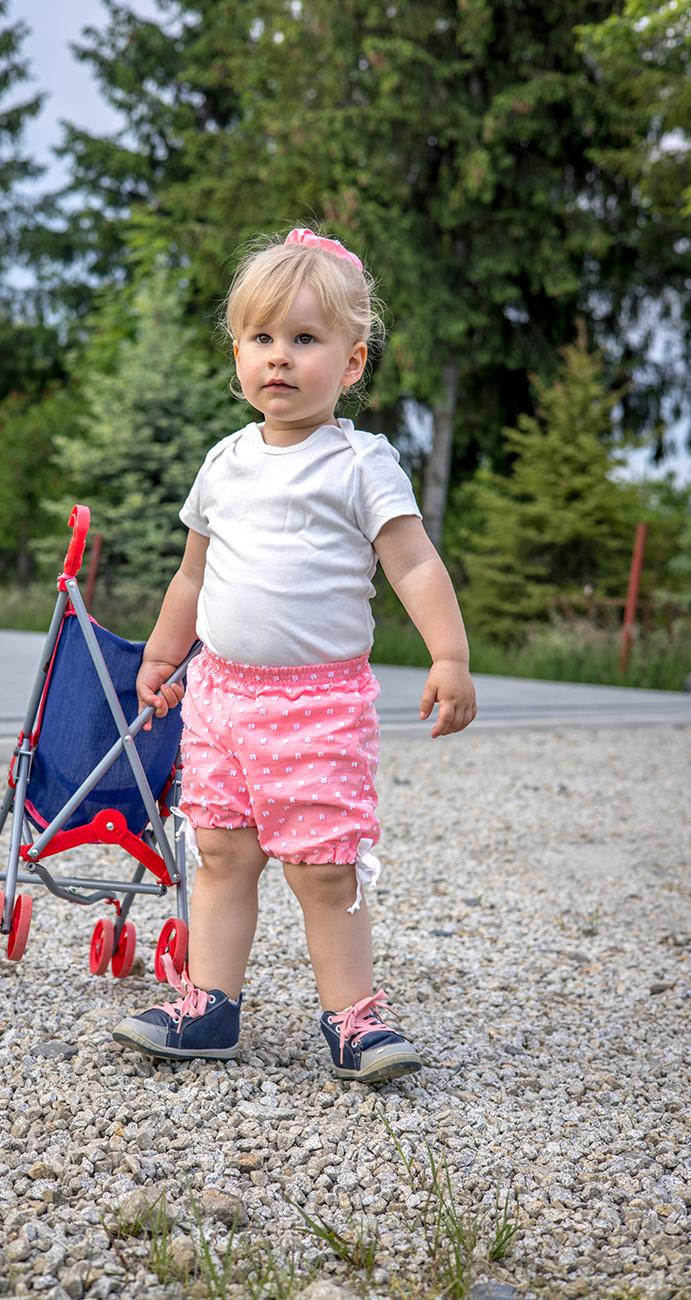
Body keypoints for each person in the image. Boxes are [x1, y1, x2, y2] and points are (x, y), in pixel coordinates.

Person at [112, 227, 477, 1083]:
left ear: (350, 364)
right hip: (219, 698)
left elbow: (415, 561)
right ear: (237, 353)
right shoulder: (225, 462)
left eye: (304, 340)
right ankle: (209, 1005)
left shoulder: (359, 463)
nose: (279, 359)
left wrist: (448, 656)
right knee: (222, 855)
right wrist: (166, 657)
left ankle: (353, 1022)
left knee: (322, 869)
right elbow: (191, 576)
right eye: (261, 339)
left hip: (317, 705)